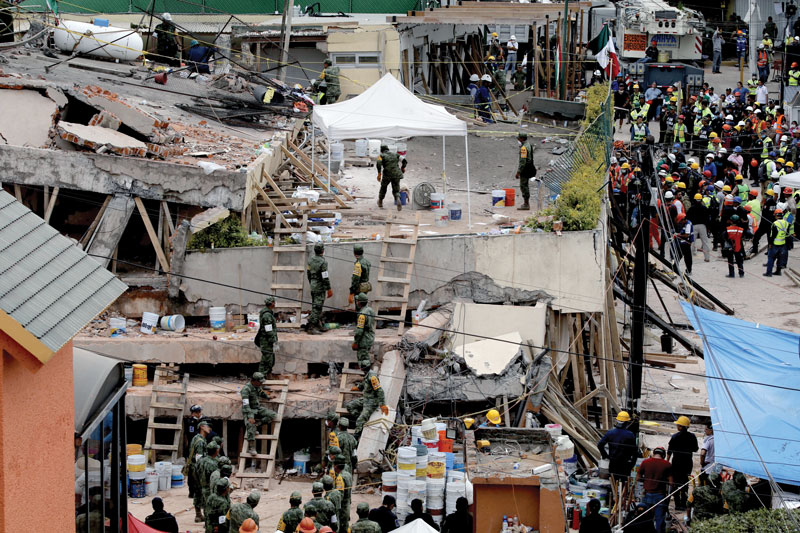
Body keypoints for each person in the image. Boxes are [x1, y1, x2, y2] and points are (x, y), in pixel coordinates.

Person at [636, 447, 673, 533]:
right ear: (663, 455)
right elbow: (671, 483)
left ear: (654, 453)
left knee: (645, 518)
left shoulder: (645, 462)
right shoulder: (667, 464)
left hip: (647, 494)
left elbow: (638, 478)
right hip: (660, 496)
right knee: (659, 520)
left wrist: (647, 480)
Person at [346, 365, 389, 437]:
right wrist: (358, 387)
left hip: (371, 402)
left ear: (362, 368)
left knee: (359, 421)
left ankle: (356, 437)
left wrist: (382, 404)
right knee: (350, 406)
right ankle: (362, 417)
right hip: (365, 399)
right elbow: (364, 383)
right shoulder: (367, 375)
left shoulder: (372, 377)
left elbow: (380, 391)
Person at [596, 411, 638, 484]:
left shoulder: (610, 433)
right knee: (624, 484)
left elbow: (600, 445)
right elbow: (634, 451)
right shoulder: (630, 435)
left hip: (613, 462)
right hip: (625, 464)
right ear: (626, 423)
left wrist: (605, 455)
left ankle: (613, 494)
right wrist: (632, 464)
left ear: (617, 421)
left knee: (613, 483)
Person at [241, 372, 277, 456]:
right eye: (260, 382)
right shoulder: (246, 389)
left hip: (257, 408)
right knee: (250, 424)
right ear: (255, 381)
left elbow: (261, 392)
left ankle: (257, 425)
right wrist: (250, 416)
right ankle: (251, 447)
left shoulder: (257, 386)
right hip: (249, 410)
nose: (261, 383)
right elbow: (245, 404)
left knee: (273, 415)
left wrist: (268, 397)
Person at [667, 416, 699, 510]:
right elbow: (695, 449)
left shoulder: (675, 437)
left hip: (676, 463)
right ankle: (684, 503)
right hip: (687, 463)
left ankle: (677, 504)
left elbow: (669, 452)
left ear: (681, 426)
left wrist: (667, 463)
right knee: (685, 483)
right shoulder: (692, 436)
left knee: (676, 483)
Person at [187, 419, 211, 522]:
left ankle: (198, 514)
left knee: (197, 491)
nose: (209, 428)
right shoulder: (201, 442)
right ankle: (203, 514)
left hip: (193, 468)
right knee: (204, 491)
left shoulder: (195, 438)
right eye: (207, 426)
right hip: (198, 469)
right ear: (202, 427)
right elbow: (200, 459)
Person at [306, 243, 332, 334]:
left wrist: (312, 283)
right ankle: (311, 327)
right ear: (322, 250)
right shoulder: (323, 262)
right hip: (320, 287)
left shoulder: (310, 260)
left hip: (313, 285)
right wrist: (329, 289)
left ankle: (318, 324)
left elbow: (308, 273)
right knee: (317, 307)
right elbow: (325, 276)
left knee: (316, 306)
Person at [376, 145, 407, 210]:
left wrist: (379, 173)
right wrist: (403, 167)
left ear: (381, 150)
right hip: (396, 174)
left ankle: (380, 202)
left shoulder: (381, 155)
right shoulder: (396, 154)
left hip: (387, 174)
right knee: (396, 188)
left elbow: (378, 162)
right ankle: (398, 198)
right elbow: (404, 160)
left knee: (383, 187)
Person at [254, 296, 277, 376]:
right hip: (266, 341)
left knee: (270, 360)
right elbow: (268, 330)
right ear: (272, 303)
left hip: (267, 341)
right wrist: (274, 341)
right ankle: (260, 379)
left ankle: (267, 376)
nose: (275, 303)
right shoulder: (267, 315)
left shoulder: (268, 312)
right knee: (266, 360)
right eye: (274, 302)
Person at [352, 293, 376, 370]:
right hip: (370, 337)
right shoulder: (370, 310)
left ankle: (368, 377)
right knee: (366, 357)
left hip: (363, 340)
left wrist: (356, 342)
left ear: (359, 302)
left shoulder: (362, 315)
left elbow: (359, 331)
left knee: (363, 360)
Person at [515, 132, 536, 211]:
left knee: (523, 186)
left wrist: (518, 172)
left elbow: (523, 162)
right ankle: (526, 203)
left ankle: (526, 204)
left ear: (522, 139)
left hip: (525, 169)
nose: (518, 139)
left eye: (519, 138)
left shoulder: (524, 148)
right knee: (525, 185)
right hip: (529, 166)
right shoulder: (528, 145)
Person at [196, 441, 221, 509]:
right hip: (209, 489)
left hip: (201, 487)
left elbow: (196, 473)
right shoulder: (213, 464)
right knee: (211, 509)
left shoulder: (200, 461)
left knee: (205, 508)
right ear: (215, 451)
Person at [688, 193, 711, 262]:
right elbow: (707, 218)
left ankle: (690, 257)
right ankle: (707, 258)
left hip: (693, 226)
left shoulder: (691, 208)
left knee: (692, 242)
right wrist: (708, 227)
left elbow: (688, 217)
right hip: (702, 226)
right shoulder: (704, 208)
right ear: (701, 200)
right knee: (705, 242)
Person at [332, 456, 353, 532]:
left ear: (336, 466)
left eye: (334, 465)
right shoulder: (348, 474)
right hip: (347, 505)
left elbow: (339, 496)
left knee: (341, 528)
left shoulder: (340, 478)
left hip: (342, 508)